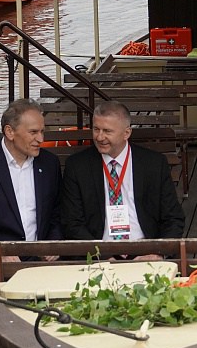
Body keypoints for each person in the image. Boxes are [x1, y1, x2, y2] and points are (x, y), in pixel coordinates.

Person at [59, 100, 185, 251]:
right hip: (99, 252)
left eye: (107, 131)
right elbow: (72, 223)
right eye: (96, 129)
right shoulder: (78, 166)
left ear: (127, 133)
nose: (99, 137)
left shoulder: (154, 164)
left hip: (145, 250)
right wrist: (102, 255)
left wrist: (158, 254)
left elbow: (173, 218)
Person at [0, 99, 63, 270]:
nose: (41, 139)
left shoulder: (49, 163)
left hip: (42, 262)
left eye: (42, 131)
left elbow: (57, 212)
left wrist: (53, 243)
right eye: (33, 132)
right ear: (10, 132)